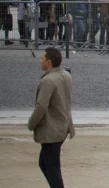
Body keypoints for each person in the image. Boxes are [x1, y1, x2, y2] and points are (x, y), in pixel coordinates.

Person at [28, 47, 74, 188]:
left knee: (51, 167)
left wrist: (31, 123)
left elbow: (41, 106)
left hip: (52, 128)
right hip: (62, 126)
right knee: (45, 163)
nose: (40, 60)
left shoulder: (48, 80)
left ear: (48, 62)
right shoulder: (66, 75)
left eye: (42, 58)